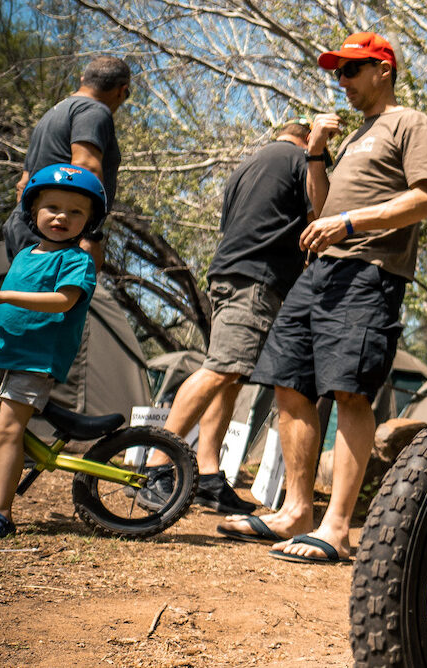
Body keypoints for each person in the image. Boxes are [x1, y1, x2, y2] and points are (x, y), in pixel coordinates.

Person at [216, 32, 427, 560]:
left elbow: (426, 200)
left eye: (350, 70)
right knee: (288, 385)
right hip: (319, 273)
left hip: (369, 273)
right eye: (336, 72)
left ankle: (337, 529)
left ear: (383, 69)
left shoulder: (410, 122)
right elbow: (320, 213)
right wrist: (316, 154)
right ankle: (297, 511)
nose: (340, 81)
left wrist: (349, 221)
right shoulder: (352, 137)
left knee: (349, 392)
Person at [135, 121, 314, 516]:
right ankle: (155, 468)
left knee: (230, 375)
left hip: (230, 273)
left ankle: (209, 474)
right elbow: (319, 212)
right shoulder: (300, 159)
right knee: (220, 370)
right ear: (306, 138)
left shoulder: (248, 166)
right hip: (254, 279)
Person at [0, 164, 103, 539]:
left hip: (34, 359)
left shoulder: (76, 261)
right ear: (33, 212)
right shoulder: (24, 256)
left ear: (89, 220)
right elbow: (11, 306)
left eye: (75, 211)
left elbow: (61, 302)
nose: (62, 217)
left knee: (6, 430)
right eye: (52, 207)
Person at [3, 56, 131, 268]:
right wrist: (89, 235)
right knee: (59, 299)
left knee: (26, 298)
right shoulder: (94, 111)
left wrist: (33, 228)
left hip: (27, 227)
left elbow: (23, 184)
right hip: (55, 235)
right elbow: (85, 167)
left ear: (83, 79)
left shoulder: (52, 114)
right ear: (121, 90)